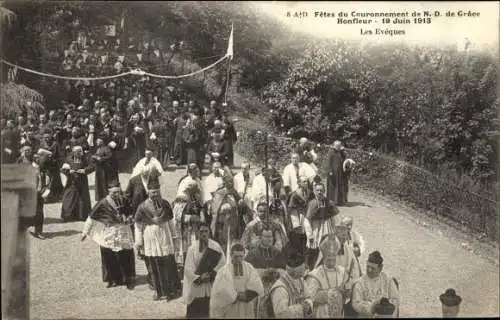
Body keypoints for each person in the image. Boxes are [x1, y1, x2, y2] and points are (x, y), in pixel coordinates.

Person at [81, 181, 136, 289]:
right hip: (109, 232)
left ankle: (127, 278)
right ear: (109, 192)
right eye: (114, 193)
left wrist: (130, 218)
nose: (116, 195)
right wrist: (85, 232)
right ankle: (111, 279)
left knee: (125, 254)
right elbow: (91, 218)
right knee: (108, 256)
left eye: (118, 192)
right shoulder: (102, 203)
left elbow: (131, 212)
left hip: (123, 230)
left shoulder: (124, 199)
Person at [134, 176, 181, 301]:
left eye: (157, 191)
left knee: (168, 263)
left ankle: (171, 290)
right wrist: (139, 242)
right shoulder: (142, 207)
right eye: (153, 192)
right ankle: (158, 291)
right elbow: (138, 226)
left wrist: (175, 237)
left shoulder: (165, 204)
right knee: (154, 265)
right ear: (148, 191)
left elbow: (171, 222)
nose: (155, 194)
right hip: (150, 238)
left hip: (165, 236)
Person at [210, 243, 264, 318]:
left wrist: (246, 295)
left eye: (241, 256)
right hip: (231, 307)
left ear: (244, 255)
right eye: (236, 257)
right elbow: (219, 290)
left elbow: (257, 284)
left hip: (246, 305)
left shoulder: (249, 268)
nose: (239, 259)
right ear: (231, 255)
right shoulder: (223, 271)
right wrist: (235, 295)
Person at [183, 222, 226, 319]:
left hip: (211, 284)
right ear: (197, 233)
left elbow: (223, 263)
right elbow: (188, 269)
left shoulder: (216, 246)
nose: (204, 234)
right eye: (201, 231)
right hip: (197, 287)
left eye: (206, 231)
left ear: (209, 232)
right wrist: (199, 278)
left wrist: (211, 275)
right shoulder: (192, 248)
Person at [245, 226, 286, 318]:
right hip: (258, 290)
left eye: (271, 236)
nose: (270, 239)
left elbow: (284, 270)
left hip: (275, 287)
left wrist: (276, 272)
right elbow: (246, 271)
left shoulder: (278, 253)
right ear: (261, 238)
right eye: (266, 237)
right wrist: (262, 273)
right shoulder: (252, 254)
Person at [305, 234, 349, 318]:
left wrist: (346, 292)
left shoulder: (342, 272)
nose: (332, 262)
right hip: (321, 313)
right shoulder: (315, 275)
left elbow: (346, 295)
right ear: (323, 257)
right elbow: (309, 297)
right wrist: (329, 294)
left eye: (334, 258)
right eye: (329, 259)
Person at [351, 251, 400, 318]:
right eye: (368, 266)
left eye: (373, 268)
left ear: (381, 268)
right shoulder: (360, 282)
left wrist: (385, 305)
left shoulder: (388, 281)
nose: (369, 270)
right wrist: (371, 307)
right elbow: (356, 303)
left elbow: (395, 300)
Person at [269, 246, 314, 318]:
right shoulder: (280, 288)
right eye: (304, 266)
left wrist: (308, 303)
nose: (306, 267)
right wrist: (302, 307)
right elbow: (281, 314)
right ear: (296, 270)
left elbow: (309, 297)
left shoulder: (300, 280)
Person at [303, 182, 339, 270]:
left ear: (324, 191)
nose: (319, 192)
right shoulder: (312, 203)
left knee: (327, 249)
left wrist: (334, 230)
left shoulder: (328, 202)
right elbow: (307, 220)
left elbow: (332, 218)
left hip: (326, 227)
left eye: (321, 190)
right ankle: (311, 269)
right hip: (315, 228)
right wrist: (309, 234)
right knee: (313, 250)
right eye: (317, 190)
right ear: (314, 191)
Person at [60, 146, 93, 222]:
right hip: (71, 181)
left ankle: (82, 216)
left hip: (82, 181)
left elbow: (92, 166)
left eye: (79, 152)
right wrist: (68, 172)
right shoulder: (68, 159)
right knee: (69, 197)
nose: (78, 153)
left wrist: (85, 170)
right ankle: (67, 216)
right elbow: (62, 169)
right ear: (73, 152)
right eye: (76, 152)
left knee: (82, 198)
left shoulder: (84, 158)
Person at [325, 140, 354, 206]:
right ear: (334, 146)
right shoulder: (331, 152)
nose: (338, 147)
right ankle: (331, 200)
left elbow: (345, 161)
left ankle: (339, 201)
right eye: (337, 146)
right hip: (333, 172)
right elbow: (328, 163)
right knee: (332, 186)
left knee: (340, 186)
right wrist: (330, 171)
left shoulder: (342, 153)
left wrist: (348, 166)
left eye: (339, 146)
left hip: (341, 172)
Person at [91, 137, 113, 201]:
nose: (96, 143)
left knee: (103, 182)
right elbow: (96, 155)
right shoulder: (98, 149)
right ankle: (99, 197)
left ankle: (105, 196)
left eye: (97, 142)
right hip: (98, 168)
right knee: (98, 182)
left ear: (101, 142)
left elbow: (109, 156)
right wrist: (94, 157)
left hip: (103, 168)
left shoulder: (106, 148)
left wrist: (101, 159)